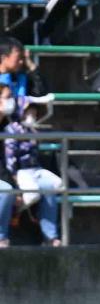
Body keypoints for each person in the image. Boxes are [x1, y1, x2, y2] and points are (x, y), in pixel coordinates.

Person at [0, 85, 63, 247]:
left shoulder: (30, 130)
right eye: (5, 98)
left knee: (51, 186)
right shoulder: (9, 130)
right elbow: (8, 162)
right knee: (8, 190)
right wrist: (16, 185)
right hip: (15, 174)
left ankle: (50, 236)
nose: (8, 102)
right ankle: (2, 235)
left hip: (28, 172)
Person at [0, 38, 48, 120]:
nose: (21, 62)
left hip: (16, 127)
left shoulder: (21, 78)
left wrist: (30, 64)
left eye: (23, 58)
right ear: (4, 58)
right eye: (18, 58)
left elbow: (40, 94)